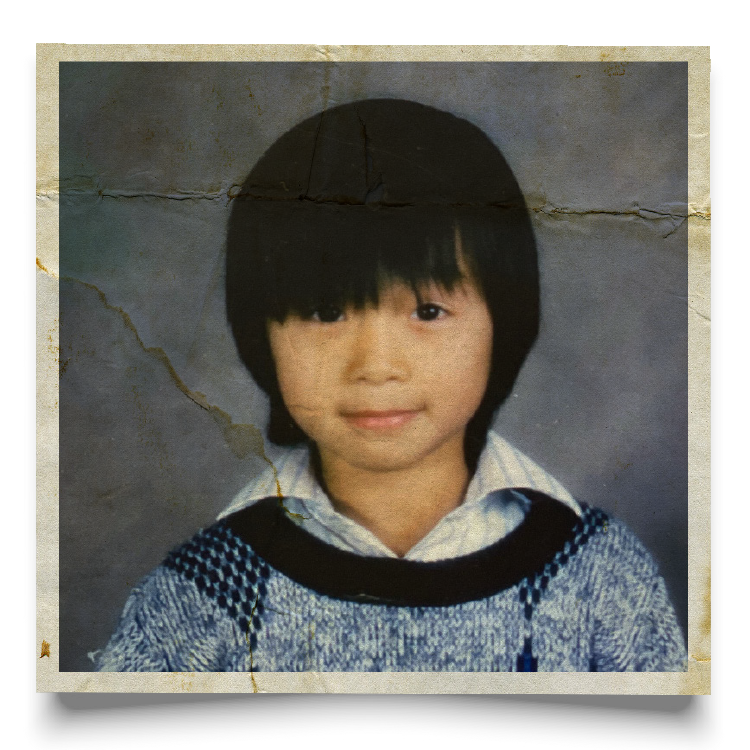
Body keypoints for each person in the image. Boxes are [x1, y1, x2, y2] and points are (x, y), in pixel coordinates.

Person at [95, 99, 686, 672]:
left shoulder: (597, 572)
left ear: (503, 326)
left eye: (428, 312)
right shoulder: (204, 594)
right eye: (327, 313)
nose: (376, 366)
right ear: (259, 336)